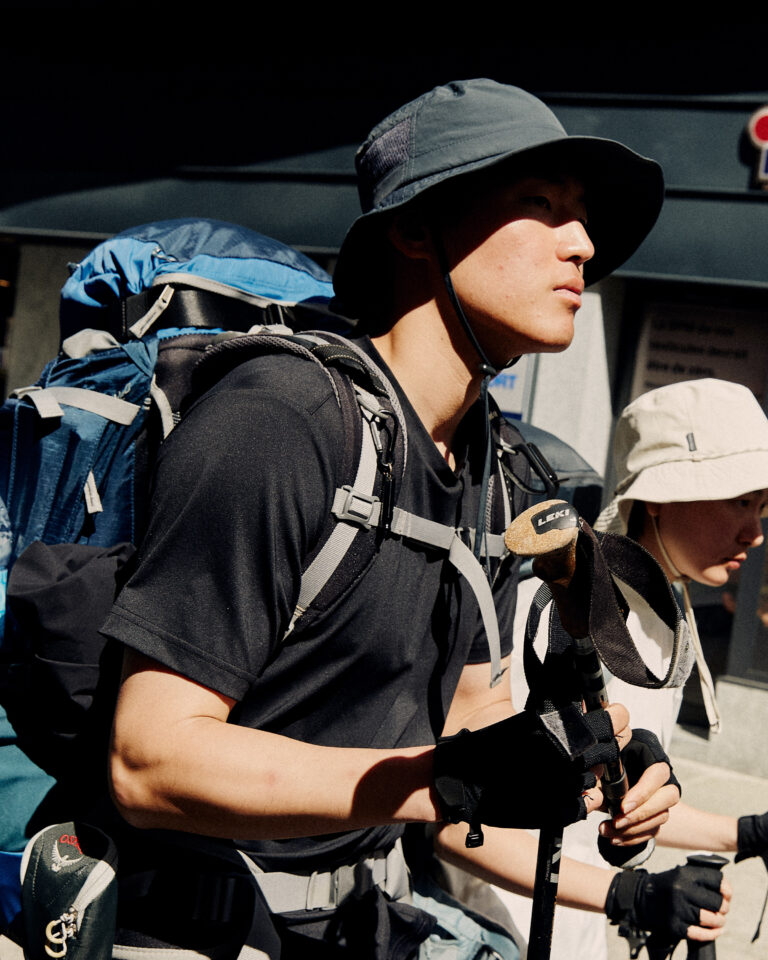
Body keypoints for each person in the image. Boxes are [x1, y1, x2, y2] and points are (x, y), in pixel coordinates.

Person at [94, 80, 715, 958]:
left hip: (368, 917)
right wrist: (446, 779)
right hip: (208, 926)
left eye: (582, 219)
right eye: (539, 205)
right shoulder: (283, 421)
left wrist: (588, 779)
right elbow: (147, 761)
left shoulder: (492, 468)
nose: (582, 243)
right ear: (416, 229)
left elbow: (464, 761)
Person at [495, 377, 768, 960]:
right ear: (661, 495)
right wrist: (631, 892)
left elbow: (627, 803)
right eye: (740, 501)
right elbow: (457, 821)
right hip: (499, 934)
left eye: (763, 506)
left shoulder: (666, 621)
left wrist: (745, 832)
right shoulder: (556, 616)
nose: (756, 531)